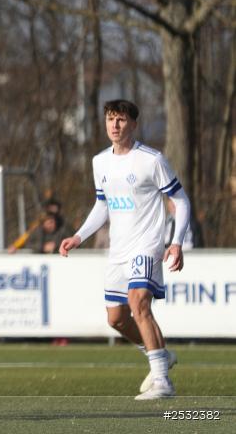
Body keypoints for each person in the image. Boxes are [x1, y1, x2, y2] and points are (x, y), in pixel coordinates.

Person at [59, 99, 190, 400]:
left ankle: (162, 382)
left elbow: (181, 201)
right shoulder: (100, 162)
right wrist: (79, 236)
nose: (114, 126)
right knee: (116, 318)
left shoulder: (151, 160)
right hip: (118, 250)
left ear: (133, 123)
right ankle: (159, 354)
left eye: (120, 120)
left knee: (138, 303)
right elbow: (102, 206)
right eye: (110, 119)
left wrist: (177, 241)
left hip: (146, 245)